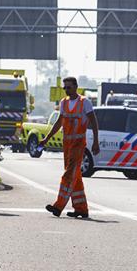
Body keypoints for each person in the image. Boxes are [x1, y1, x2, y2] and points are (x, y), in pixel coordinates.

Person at [39, 76, 100, 218]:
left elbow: (94, 122)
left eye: (69, 87)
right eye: (64, 87)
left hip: (78, 145)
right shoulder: (63, 103)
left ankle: (58, 206)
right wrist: (47, 138)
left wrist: (96, 141)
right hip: (67, 145)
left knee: (68, 175)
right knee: (75, 176)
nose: (66, 90)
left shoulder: (85, 102)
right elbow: (59, 122)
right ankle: (81, 208)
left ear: (76, 87)